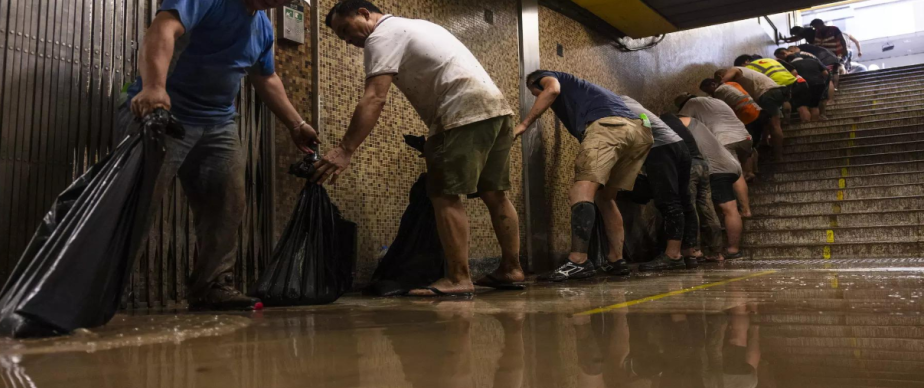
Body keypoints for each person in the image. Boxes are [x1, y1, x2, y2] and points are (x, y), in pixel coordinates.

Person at [318, 0, 524, 296]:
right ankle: (511, 269)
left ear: (364, 14)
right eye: (342, 38)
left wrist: (345, 149)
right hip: (496, 110)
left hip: (461, 112)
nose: (349, 42)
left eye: (346, 30)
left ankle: (458, 278)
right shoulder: (416, 26)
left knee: (444, 194)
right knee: (495, 194)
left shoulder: (381, 35)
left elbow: (375, 98)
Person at [123, 0, 318, 311]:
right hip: (166, 112)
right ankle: (105, 282)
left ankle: (212, 286)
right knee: (137, 199)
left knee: (228, 203)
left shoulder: (263, 27)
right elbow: (163, 28)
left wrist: (296, 123)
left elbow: (265, 76)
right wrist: (154, 87)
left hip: (218, 122)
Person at [520, 71, 652, 279]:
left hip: (609, 127)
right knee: (606, 198)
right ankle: (616, 260)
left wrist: (524, 124)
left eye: (535, 93)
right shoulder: (588, 91)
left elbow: (552, 89)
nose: (538, 97)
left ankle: (578, 260)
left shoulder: (548, 77)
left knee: (580, 190)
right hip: (640, 134)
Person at [619, 96, 697, 271]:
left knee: (668, 201)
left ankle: (673, 256)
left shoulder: (615, 104)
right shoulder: (634, 104)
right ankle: (688, 253)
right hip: (679, 148)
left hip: (660, 148)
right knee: (683, 201)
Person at [676, 116, 745, 259]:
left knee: (726, 209)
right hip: (729, 164)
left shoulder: (682, 123)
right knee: (729, 208)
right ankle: (727, 249)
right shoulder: (697, 124)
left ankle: (732, 249)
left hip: (717, 168)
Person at [675, 94, 753, 218]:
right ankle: (750, 173)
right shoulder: (717, 100)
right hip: (745, 137)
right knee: (740, 167)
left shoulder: (691, 102)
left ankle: (745, 210)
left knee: (735, 174)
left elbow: (679, 122)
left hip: (725, 138)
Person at [661, 113, 725, 262]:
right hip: (703, 166)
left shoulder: (663, 124)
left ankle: (694, 249)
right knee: (708, 209)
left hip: (690, 167)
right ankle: (717, 252)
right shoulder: (682, 127)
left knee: (690, 209)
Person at [716, 66, 786, 161]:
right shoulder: (741, 82)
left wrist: (720, 83)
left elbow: (730, 75)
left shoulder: (734, 69)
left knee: (774, 125)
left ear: (721, 75)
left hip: (766, 93)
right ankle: (765, 142)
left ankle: (778, 157)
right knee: (767, 121)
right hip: (775, 91)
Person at [699, 78, 768, 161]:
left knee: (748, 145)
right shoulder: (732, 83)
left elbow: (720, 109)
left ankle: (749, 169)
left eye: (707, 90)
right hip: (757, 110)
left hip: (748, 116)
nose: (708, 93)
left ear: (713, 84)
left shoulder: (719, 91)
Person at [734, 55, 812, 122]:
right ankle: (806, 123)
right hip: (795, 81)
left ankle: (786, 122)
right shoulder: (770, 59)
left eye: (740, 67)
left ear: (745, 62)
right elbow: (794, 71)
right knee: (799, 105)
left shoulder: (749, 68)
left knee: (784, 102)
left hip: (777, 84)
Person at [781, 51, 829, 121]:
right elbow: (826, 73)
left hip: (802, 85)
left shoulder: (791, 65)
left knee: (802, 106)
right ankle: (815, 125)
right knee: (814, 106)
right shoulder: (813, 61)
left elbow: (792, 75)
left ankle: (807, 126)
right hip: (819, 84)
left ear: (789, 60)